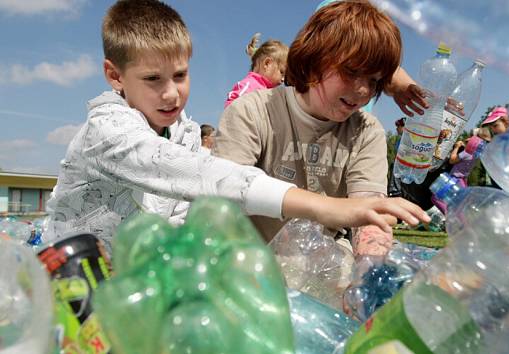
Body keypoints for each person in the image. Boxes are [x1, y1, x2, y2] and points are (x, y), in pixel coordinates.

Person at [42, 0, 427, 254]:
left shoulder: (185, 134)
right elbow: (209, 180)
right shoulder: (107, 127)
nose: (171, 94)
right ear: (115, 75)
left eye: (180, 75)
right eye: (152, 79)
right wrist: (325, 207)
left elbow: (183, 212)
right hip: (75, 271)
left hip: (137, 273)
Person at [214, 1, 403, 256]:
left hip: (325, 266)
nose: (363, 91)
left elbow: (369, 219)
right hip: (249, 261)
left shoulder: (366, 131)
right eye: (351, 71)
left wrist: (371, 271)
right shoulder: (253, 111)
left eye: (374, 80)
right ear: (315, 58)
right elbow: (221, 203)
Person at [224, 33, 288, 107]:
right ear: (267, 64)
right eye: (281, 72)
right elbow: (232, 107)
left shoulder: (269, 93)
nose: (283, 79)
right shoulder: (250, 85)